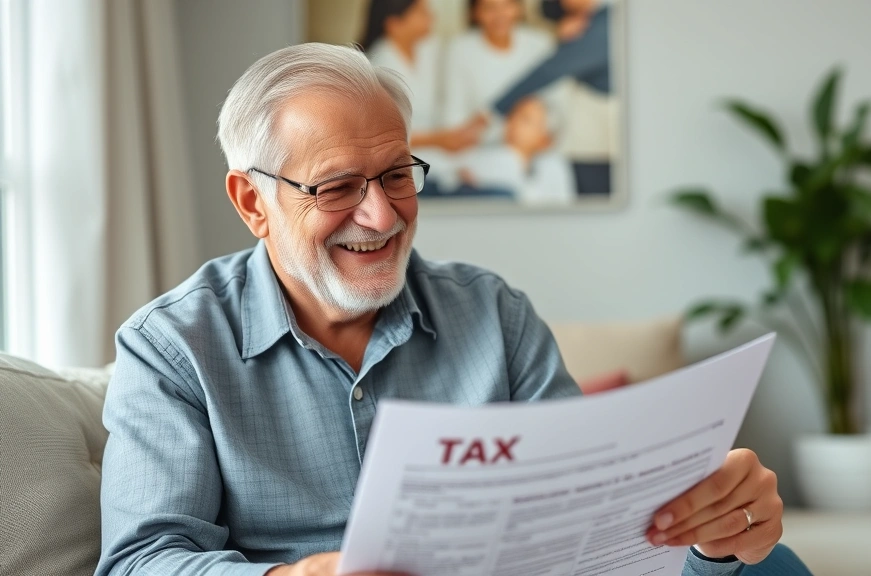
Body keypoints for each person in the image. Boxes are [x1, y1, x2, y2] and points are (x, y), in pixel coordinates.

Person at [96, 43, 804, 576]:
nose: (380, 215)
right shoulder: (172, 347)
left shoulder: (494, 313)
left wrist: (714, 539)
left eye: (398, 175)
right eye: (338, 186)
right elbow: (141, 561)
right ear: (254, 202)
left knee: (775, 565)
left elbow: (595, 533)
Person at [363, 0, 484, 153]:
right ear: (394, 24)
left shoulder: (427, 49)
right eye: (422, 12)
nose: (432, 17)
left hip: (440, 146)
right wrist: (438, 140)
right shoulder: (379, 65)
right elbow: (381, 135)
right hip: (404, 154)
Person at [444, 0, 559, 145]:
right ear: (474, 13)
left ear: (519, 8)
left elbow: (555, 101)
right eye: (489, 8)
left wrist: (541, 135)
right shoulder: (460, 49)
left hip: (533, 144)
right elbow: (453, 111)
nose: (499, 15)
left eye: (507, 6)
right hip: (481, 146)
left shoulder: (540, 44)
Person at [456, 96, 575, 204]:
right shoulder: (480, 158)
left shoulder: (554, 166)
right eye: (512, 114)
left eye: (525, 119)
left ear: (545, 140)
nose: (513, 122)